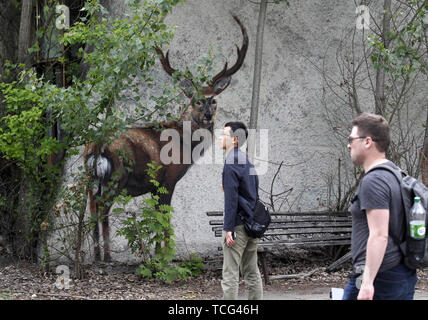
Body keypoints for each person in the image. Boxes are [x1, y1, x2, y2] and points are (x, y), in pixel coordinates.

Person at [343, 112, 418, 300]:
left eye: (351, 139)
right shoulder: (396, 174)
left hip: (379, 276)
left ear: (367, 141)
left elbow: (379, 235)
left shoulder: (374, 180)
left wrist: (366, 284)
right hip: (402, 272)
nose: (348, 145)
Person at [218, 121, 263, 300]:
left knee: (230, 275)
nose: (220, 137)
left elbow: (231, 199)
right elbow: (252, 191)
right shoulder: (247, 161)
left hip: (237, 227)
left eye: (224, 135)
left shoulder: (231, 162)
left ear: (235, 140)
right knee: (252, 272)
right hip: (252, 224)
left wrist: (229, 228)